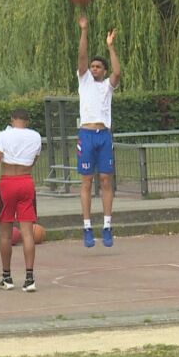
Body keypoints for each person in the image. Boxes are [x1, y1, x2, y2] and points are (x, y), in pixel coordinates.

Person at [0, 108, 42, 292]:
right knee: (28, 232)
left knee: (5, 233)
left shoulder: (3, 136)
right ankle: (30, 278)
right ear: (27, 121)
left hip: (8, 182)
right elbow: (34, 160)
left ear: (12, 119)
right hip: (26, 181)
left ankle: (7, 277)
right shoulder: (35, 137)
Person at [76, 15, 121, 247]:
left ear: (102, 70)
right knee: (86, 182)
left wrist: (110, 47)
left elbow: (117, 72)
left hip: (103, 136)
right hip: (86, 134)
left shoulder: (107, 86)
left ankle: (107, 225)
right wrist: (84, 30)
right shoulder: (84, 81)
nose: (94, 69)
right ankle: (86, 227)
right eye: (92, 66)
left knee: (105, 180)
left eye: (97, 66)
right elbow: (82, 57)